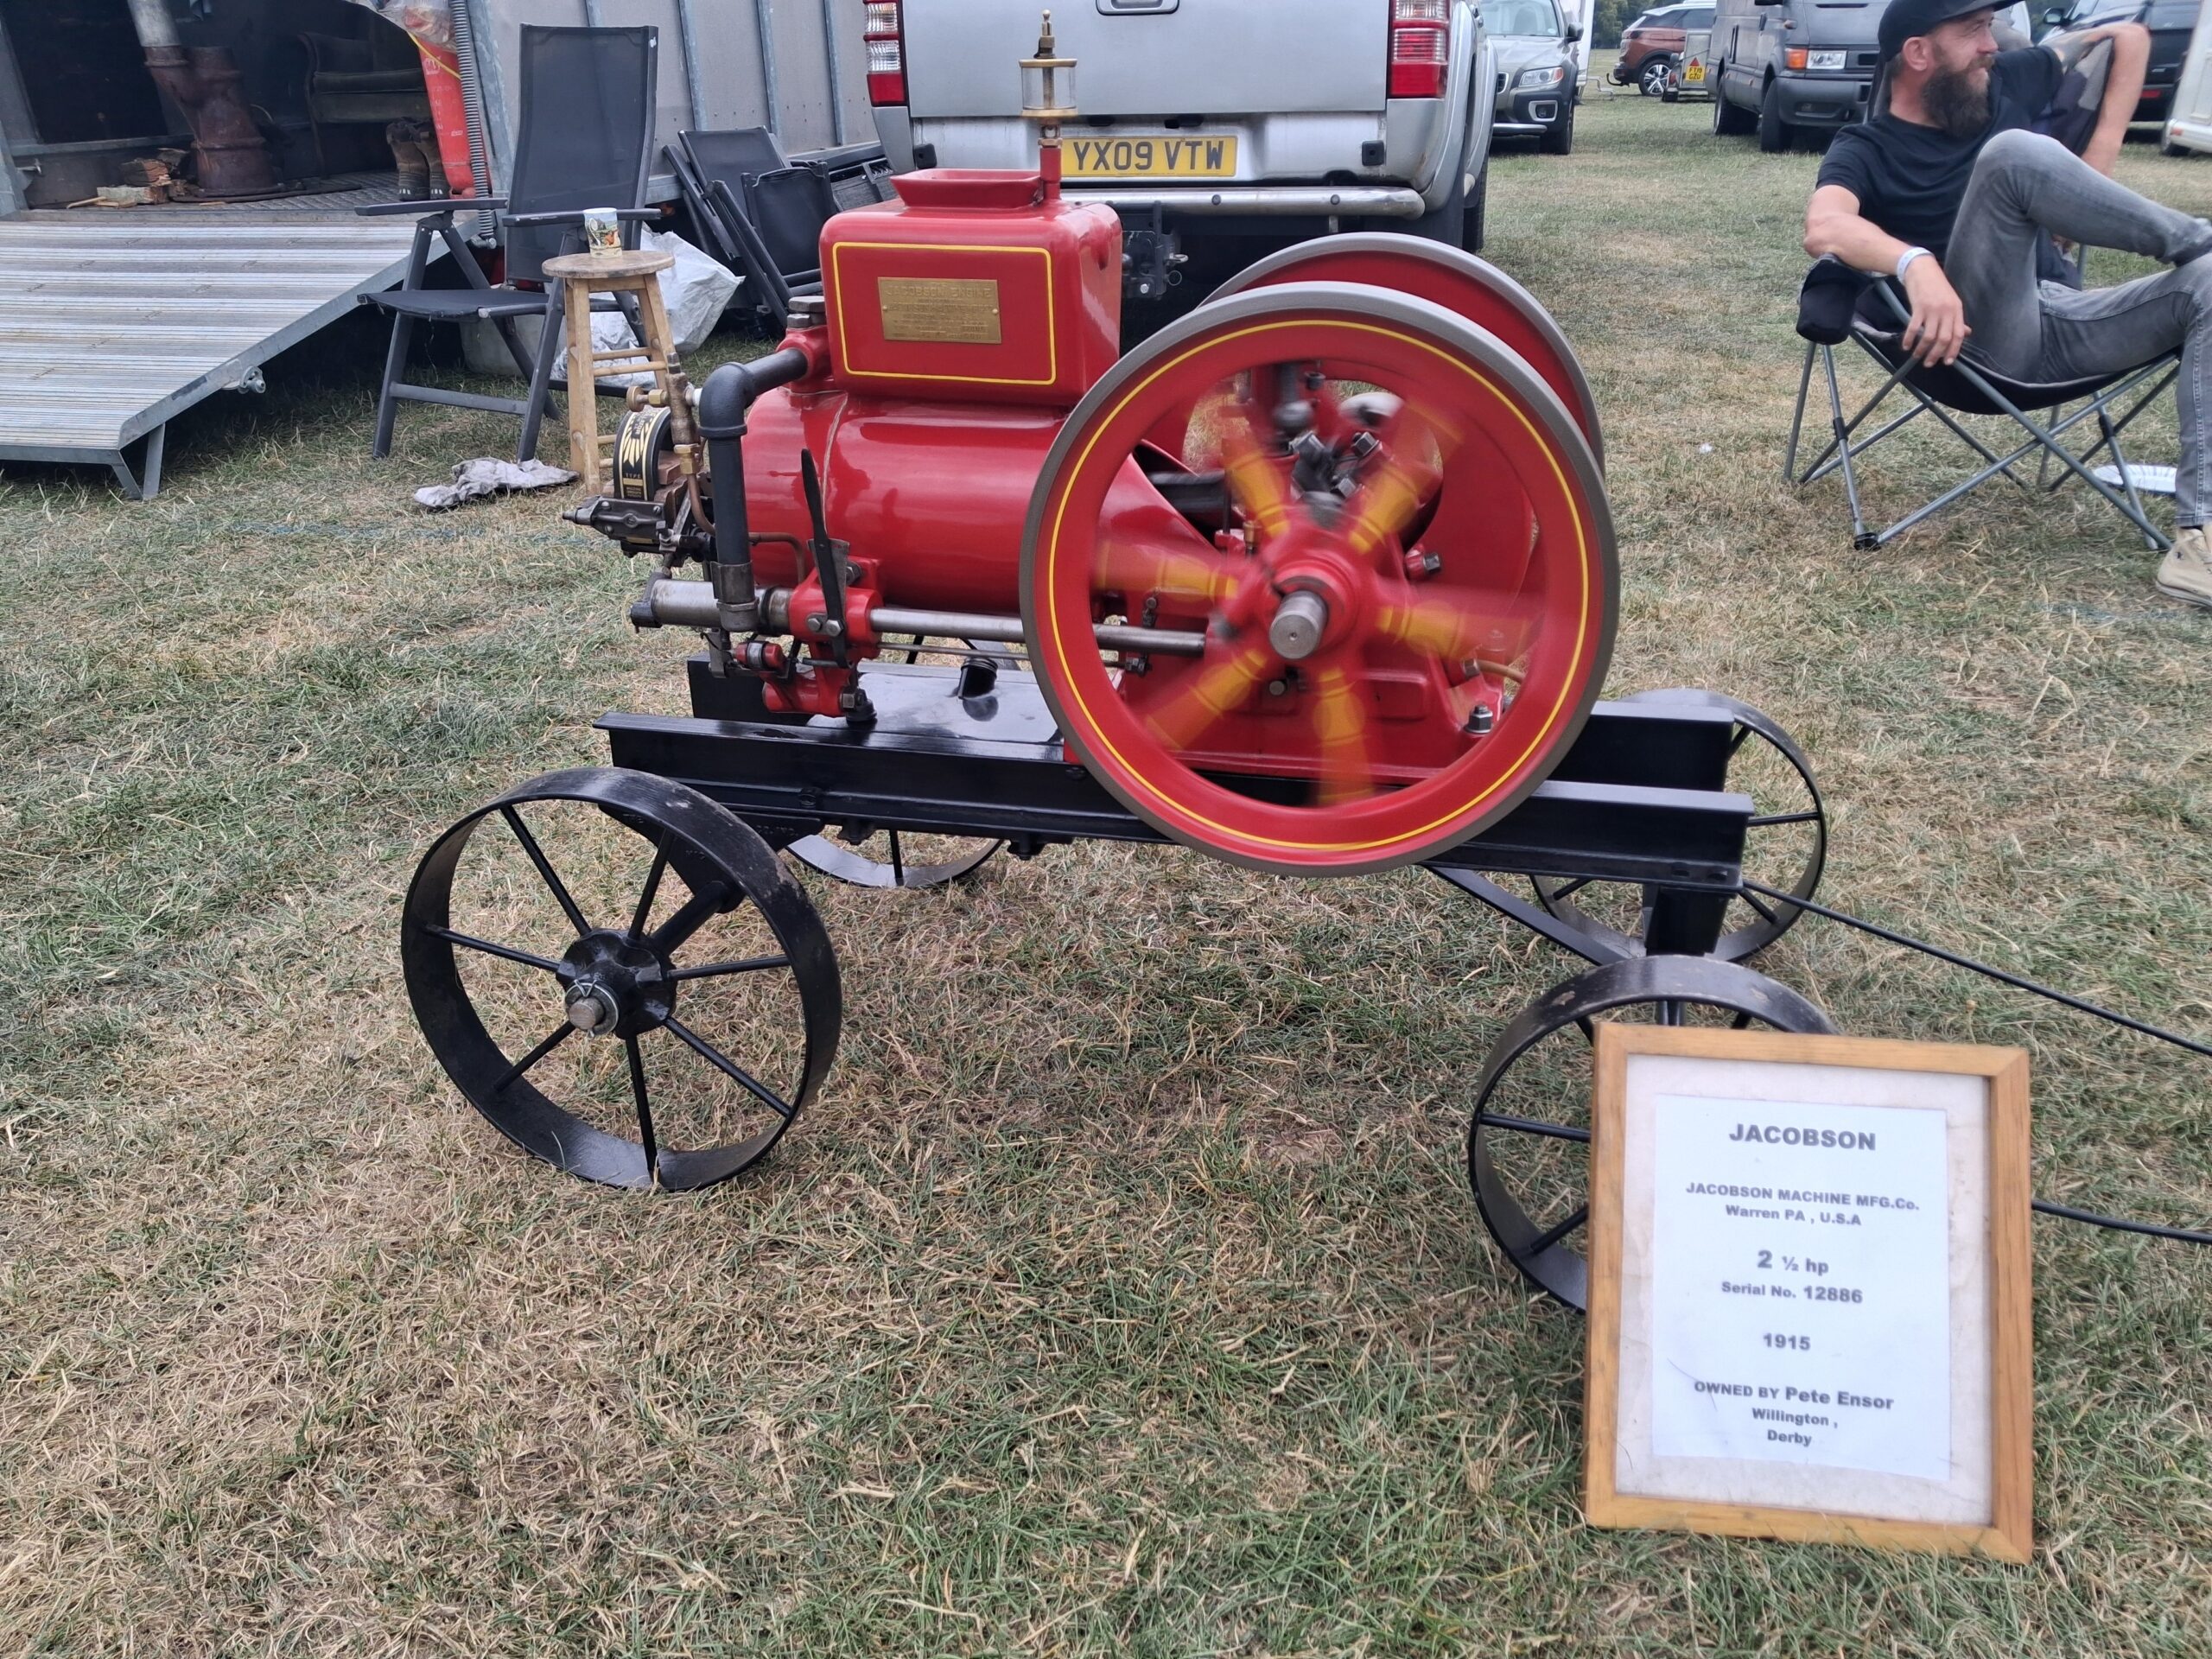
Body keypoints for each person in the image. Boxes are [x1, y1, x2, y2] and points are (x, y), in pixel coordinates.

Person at [1802, 0, 2212, 610]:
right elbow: (1825, 227)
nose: (1992, 45)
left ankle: (2199, 538)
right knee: (2013, 154)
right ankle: (2196, 234)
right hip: (1972, 350)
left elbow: (2112, 39)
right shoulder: (1866, 147)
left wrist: (2101, 146)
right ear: (1918, 54)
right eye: (1971, 32)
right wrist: (1917, 264)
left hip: (2063, 323)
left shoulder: (2003, 80)